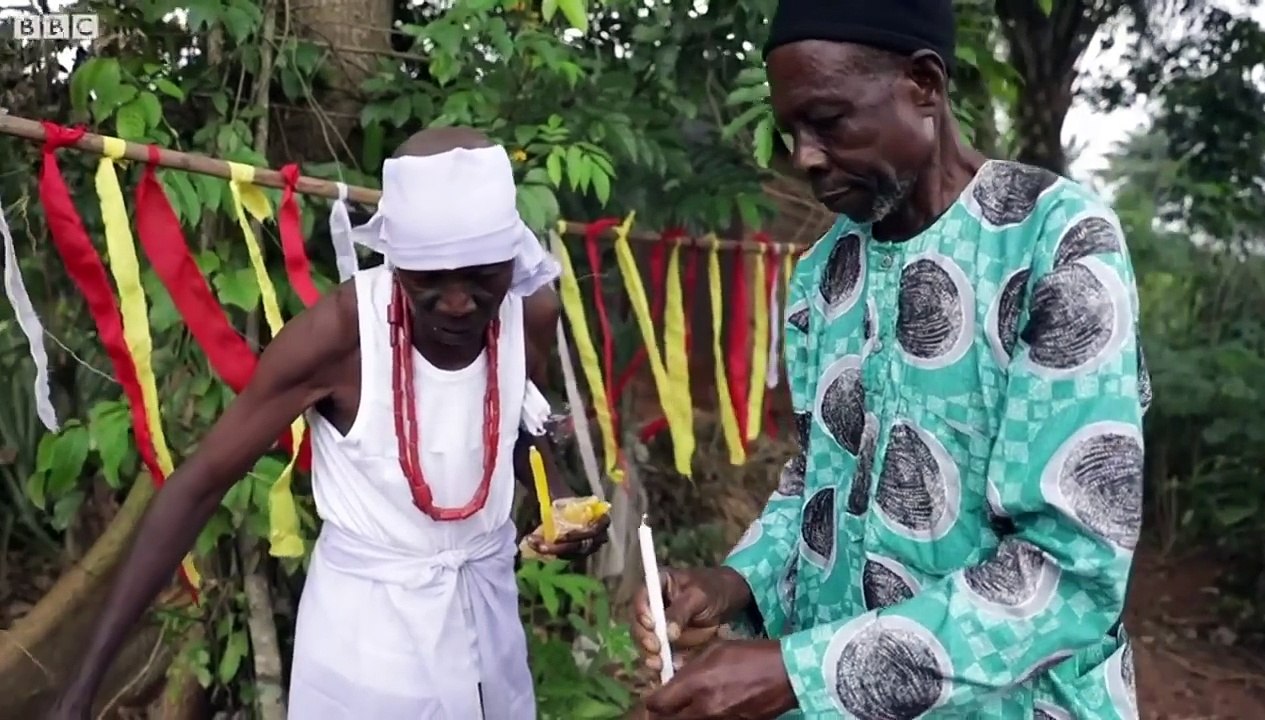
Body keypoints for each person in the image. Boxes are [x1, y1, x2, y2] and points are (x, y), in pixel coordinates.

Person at [630, 1, 1152, 718]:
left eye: (829, 121)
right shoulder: (824, 275)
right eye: (791, 133)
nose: (805, 157)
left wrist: (801, 674)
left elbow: (1068, 572)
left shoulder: (1054, 245)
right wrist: (735, 582)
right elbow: (817, 480)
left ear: (924, 85)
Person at [48, 127, 610, 719]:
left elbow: (517, 421)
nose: (457, 302)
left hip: (488, 632)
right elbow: (201, 483)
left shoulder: (531, 310)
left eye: (479, 275)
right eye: (429, 278)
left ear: (509, 255)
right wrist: (83, 686)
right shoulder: (341, 336)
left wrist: (561, 500)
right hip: (364, 650)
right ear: (394, 260)